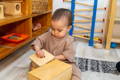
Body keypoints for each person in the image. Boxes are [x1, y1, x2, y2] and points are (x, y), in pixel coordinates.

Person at [31, 8, 81, 80]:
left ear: (68, 28)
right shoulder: (48, 35)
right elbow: (38, 41)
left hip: (63, 62)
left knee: (75, 70)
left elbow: (66, 56)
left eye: (59, 30)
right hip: (47, 61)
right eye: (52, 28)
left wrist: (53, 58)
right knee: (33, 64)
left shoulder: (69, 40)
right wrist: (38, 50)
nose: (55, 32)